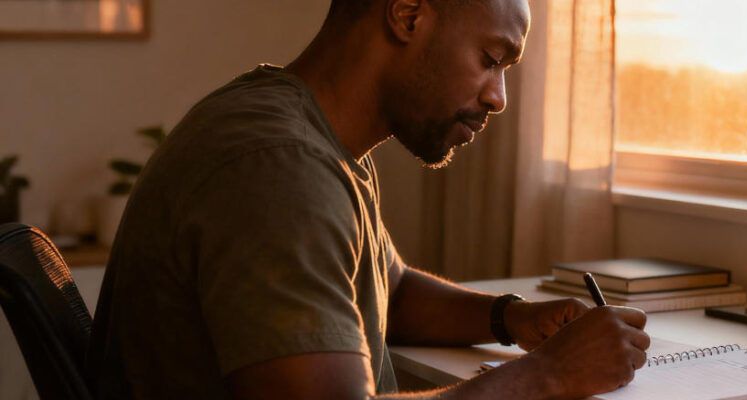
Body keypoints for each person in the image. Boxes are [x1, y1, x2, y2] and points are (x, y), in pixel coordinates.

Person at [85, 0, 650, 398]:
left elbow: (390, 292)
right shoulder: (279, 167)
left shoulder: (313, 138)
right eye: (490, 58)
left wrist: (515, 318)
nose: (498, 98)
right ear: (408, 15)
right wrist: (549, 375)